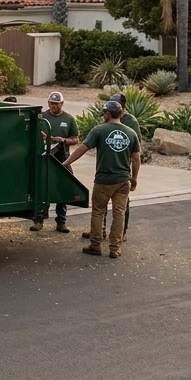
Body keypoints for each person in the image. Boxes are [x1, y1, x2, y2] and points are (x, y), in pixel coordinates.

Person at [64, 101, 140, 258]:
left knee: (98, 211)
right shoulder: (131, 133)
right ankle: (115, 248)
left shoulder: (99, 130)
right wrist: (134, 178)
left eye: (104, 113)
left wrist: (65, 163)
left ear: (107, 114)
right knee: (119, 213)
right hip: (123, 180)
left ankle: (95, 244)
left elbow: (82, 149)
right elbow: (136, 158)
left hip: (104, 179)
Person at [84, 92, 139, 241]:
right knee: (112, 211)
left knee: (112, 210)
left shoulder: (131, 124)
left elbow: (135, 154)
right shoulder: (106, 127)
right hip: (121, 175)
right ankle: (103, 234)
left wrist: (133, 177)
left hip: (116, 173)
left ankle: (118, 235)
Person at [31, 91, 77, 233]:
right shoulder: (43, 117)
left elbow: (75, 139)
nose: (53, 106)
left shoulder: (68, 119)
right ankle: (38, 220)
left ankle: (61, 221)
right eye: (51, 103)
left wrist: (63, 140)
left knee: (62, 188)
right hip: (44, 158)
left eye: (56, 104)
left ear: (62, 104)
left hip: (62, 158)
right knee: (42, 188)